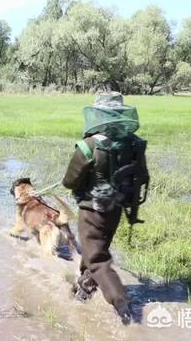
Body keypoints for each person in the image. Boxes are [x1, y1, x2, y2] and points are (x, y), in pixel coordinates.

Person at [62, 92, 149, 325]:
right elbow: (140, 175)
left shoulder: (89, 145)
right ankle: (84, 289)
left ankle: (123, 306)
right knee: (95, 250)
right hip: (117, 209)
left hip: (92, 211)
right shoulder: (134, 143)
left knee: (97, 258)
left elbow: (69, 181)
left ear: (99, 115)